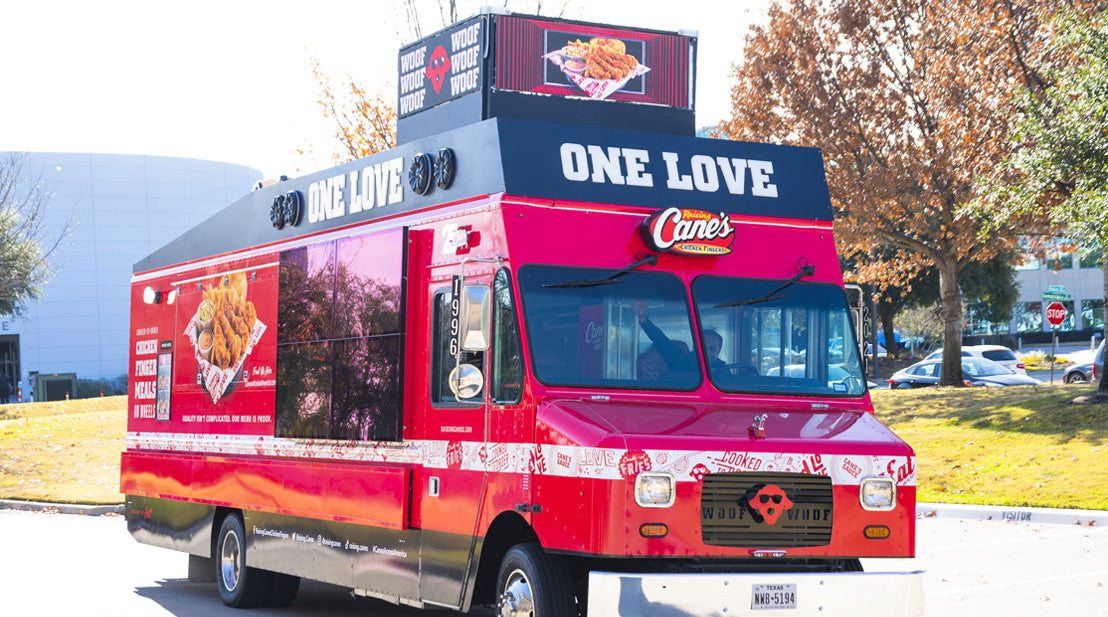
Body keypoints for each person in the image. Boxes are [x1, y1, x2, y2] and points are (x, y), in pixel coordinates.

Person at [634, 300, 726, 372]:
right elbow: (661, 341)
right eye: (703, 347)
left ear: (719, 352)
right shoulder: (680, 360)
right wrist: (643, 318)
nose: (707, 353)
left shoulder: (724, 370)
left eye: (712, 348)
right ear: (694, 347)